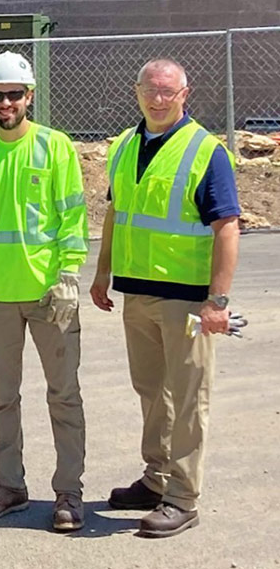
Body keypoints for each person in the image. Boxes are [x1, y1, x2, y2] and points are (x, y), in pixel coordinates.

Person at [90, 59, 241, 538]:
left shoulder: (205, 151)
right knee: (152, 391)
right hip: (137, 293)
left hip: (189, 301)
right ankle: (156, 477)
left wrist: (217, 300)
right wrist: (102, 273)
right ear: (136, 92)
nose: (158, 99)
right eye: (150, 90)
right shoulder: (125, 146)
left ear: (184, 94)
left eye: (168, 92)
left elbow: (228, 227)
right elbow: (118, 212)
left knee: (189, 395)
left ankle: (183, 496)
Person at [0, 52, 88, 531]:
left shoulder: (55, 148)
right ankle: (9, 485)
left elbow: (72, 217)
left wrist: (69, 275)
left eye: (14, 94)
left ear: (29, 96)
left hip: (51, 296)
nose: (6, 102)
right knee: (2, 398)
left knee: (64, 395)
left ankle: (69, 492)